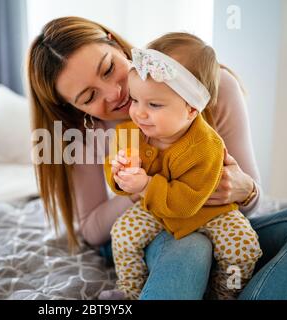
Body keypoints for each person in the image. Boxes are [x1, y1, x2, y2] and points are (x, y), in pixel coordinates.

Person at [26, 16, 287, 299]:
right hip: (154, 232)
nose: (116, 93)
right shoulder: (86, 133)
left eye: (109, 68)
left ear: (114, 44)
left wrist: (245, 190)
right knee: (192, 247)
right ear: (73, 108)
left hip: (211, 219)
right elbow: (92, 231)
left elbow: (250, 207)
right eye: (89, 97)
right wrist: (139, 187)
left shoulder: (215, 88)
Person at [99, 43, 262, 300]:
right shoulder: (128, 133)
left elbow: (186, 204)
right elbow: (114, 174)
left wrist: (145, 186)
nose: (138, 112)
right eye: (134, 99)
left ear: (190, 110)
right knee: (122, 235)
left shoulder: (206, 146)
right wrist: (119, 174)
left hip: (205, 211)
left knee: (243, 248)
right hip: (155, 208)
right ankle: (130, 292)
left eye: (153, 104)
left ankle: (224, 293)